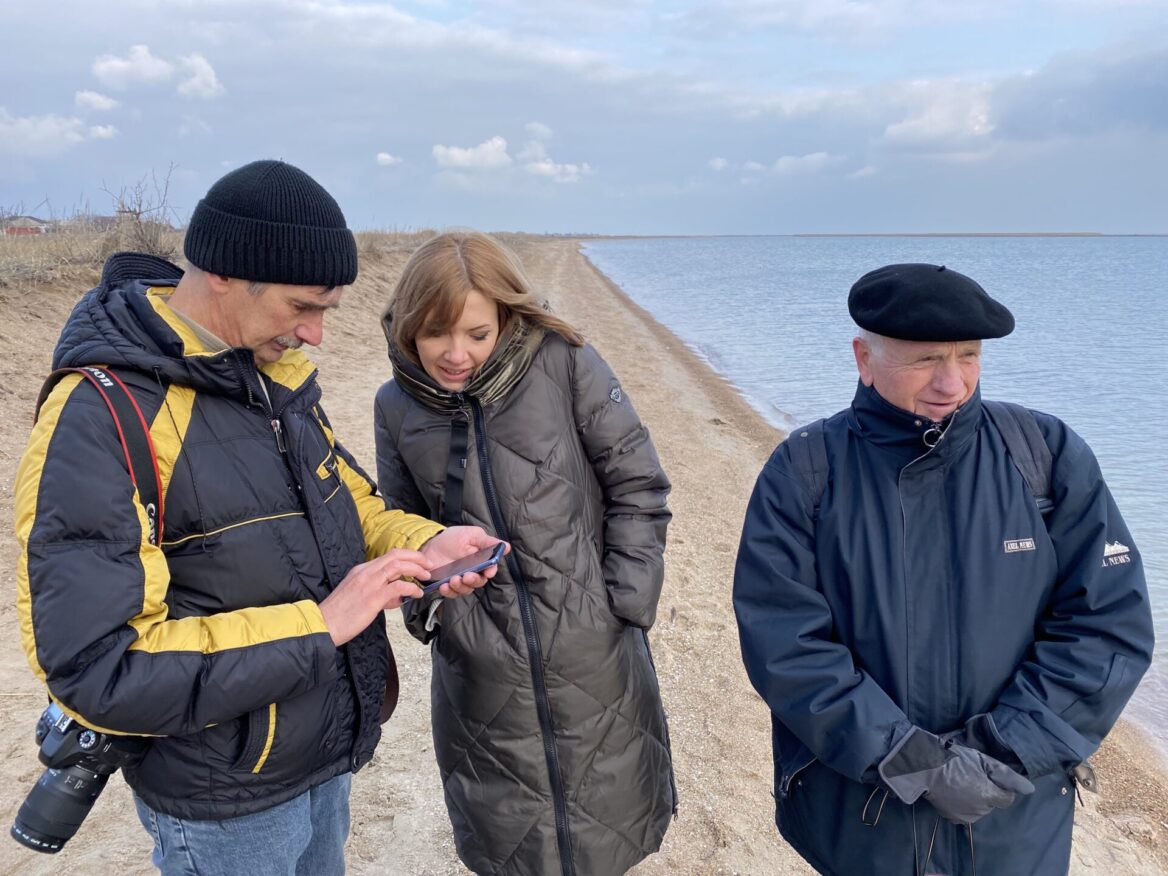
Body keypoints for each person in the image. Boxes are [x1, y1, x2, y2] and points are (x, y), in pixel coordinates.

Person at [14, 160, 501, 875]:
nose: (316, 334)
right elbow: (100, 667)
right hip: (224, 795)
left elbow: (349, 506)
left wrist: (428, 545)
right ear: (224, 276)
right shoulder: (102, 414)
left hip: (320, 753)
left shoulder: (271, 373)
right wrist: (325, 623)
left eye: (328, 310)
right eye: (304, 307)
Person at [733, 263, 1154, 875]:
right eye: (926, 359)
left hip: (1015, 810)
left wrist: (1008, 749)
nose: (951, 382)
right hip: (866, 814)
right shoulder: (804, 470)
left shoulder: (1045, 454)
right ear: (864, 358)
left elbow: (1108, 625)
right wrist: (911, 761)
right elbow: (785, 644)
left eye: (968, 355)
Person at [373, 230, 677, 875]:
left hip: (595, 649)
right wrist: (434, 604)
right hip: (478, 664)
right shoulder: (394, 405)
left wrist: (621, 604)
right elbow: (399, 526)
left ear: (508, 318)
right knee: (511, 841)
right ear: (406, 329)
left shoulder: (567, 361)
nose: (456, 354)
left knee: (609, 827)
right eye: (434, 334)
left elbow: (637, 484)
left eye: (477, 335)